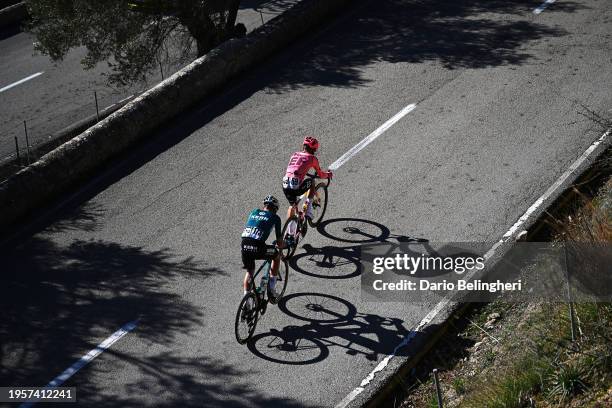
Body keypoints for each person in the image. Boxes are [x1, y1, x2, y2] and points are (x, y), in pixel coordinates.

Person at [241, 195, 284, 296]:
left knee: (250, 272)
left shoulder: (254, 212)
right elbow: (279, 241)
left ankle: (246, 298)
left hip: (244, 245)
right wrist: (281, 250)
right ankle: (272, 289)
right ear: (275, 209)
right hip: (258, 246)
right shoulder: (275, 217)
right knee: (276, 256)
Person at [282, 136, 333, 222]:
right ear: (313, 149)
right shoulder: (312, 158)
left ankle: (289, 232)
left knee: (292, 207)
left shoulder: (294, 155)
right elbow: (321, 174)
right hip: (296, 186)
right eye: (315, 150)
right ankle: (309, 211)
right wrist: (328, 175)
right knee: (311, 182)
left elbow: (296, 168)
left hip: (285, 184)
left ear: (303, 146)